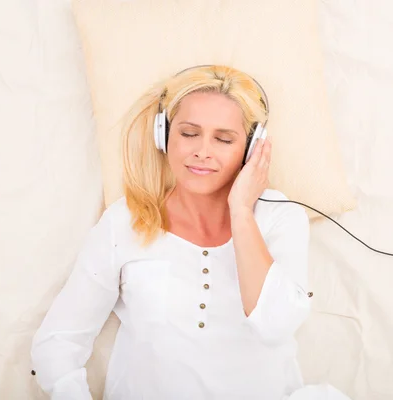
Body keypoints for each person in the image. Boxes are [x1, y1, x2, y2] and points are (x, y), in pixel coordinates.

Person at [30, 65, 351, 400]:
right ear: (163, 135)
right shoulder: (124, 221)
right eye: (188, 133)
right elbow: (57, 343)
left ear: (252, 148)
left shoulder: (280, 217)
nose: (202, 151)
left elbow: (276, 325)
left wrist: (241, 211)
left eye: (224, 139)